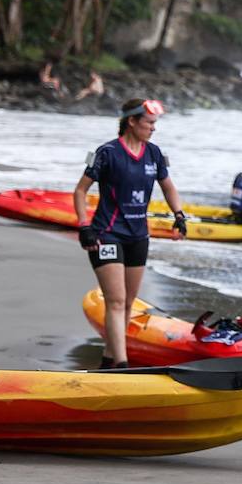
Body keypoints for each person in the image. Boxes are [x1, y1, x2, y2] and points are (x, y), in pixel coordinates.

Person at [73, 98, 186, 368]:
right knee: (116, 300)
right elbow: (80, 190)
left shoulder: (155, 154)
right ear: (132, 122)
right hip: (107, 233)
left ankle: (109, 361)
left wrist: (179, 215)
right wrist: (84, 226)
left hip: (138, 236)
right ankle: (122, 365)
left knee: (127, 303)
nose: (153, 129)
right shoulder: (107, 153)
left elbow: (168, 186)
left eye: (155, 124)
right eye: (149, 123)